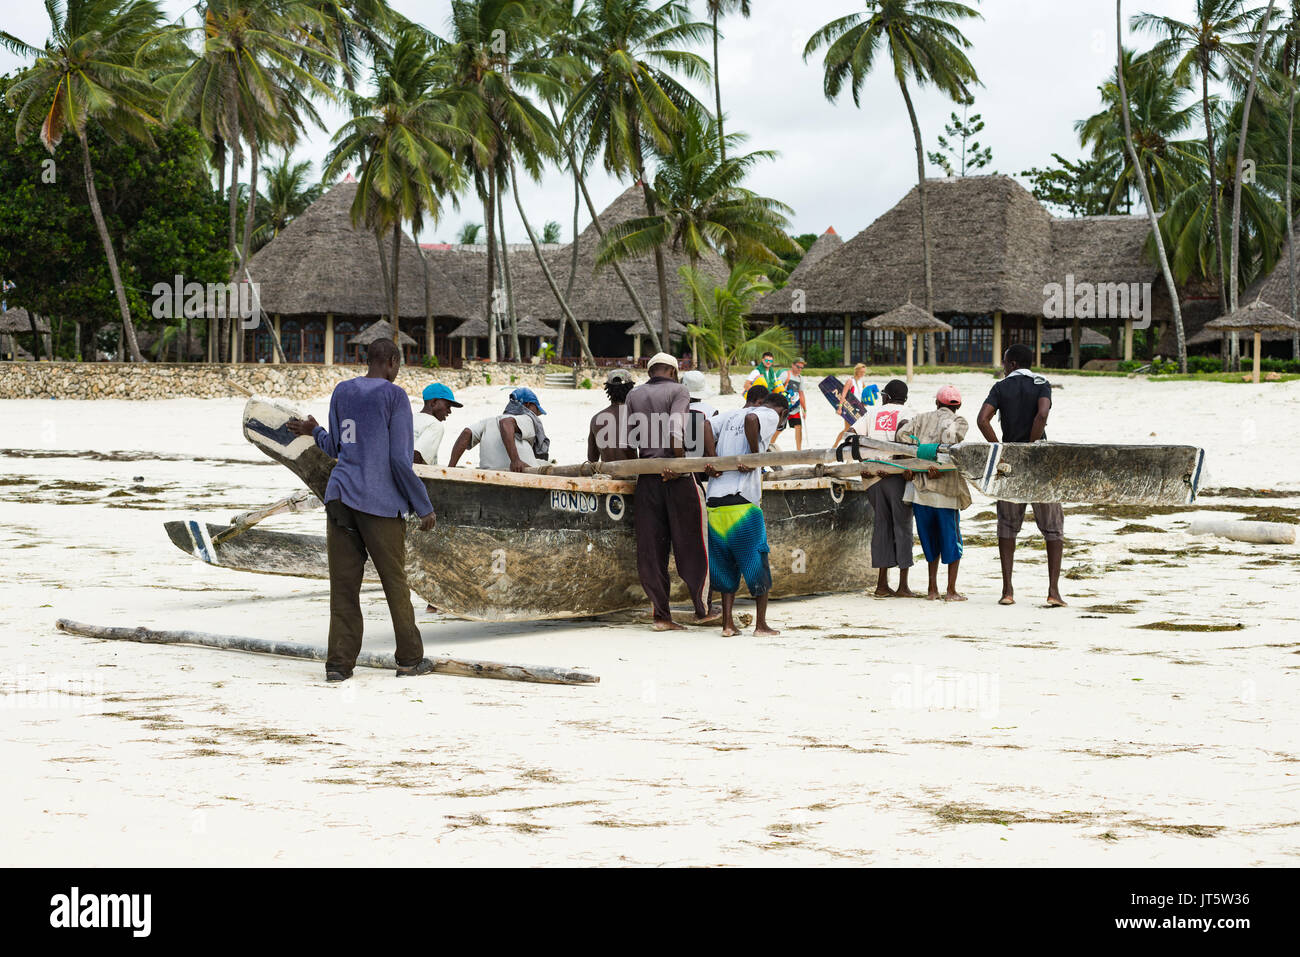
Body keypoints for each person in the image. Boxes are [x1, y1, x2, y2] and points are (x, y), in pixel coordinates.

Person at [286, 339, 437, 682]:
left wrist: (315, 431)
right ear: (392, 362)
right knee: (395, 583)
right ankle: (410, 660)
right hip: (379, 502)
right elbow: (399, 460)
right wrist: (423, 505)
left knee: (344, 587)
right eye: (397, 366)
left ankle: (338, 665)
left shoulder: (342, 391)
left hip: (339, 497)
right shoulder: (394, 397)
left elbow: (336, 447)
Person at [624, 352, 716, 630]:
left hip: (647, 479)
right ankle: (702, 609)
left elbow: (630, 441)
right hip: (677, 478)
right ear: (673, 371)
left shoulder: (634, 395)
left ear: (651, 371)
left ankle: (662, 616)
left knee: (651, 550)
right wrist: (679, 462)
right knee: (693, 546)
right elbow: (677, 428)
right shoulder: (679, 390)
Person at [977, 343, 1066, 607]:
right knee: (1053, 527)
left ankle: (1007, 591)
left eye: (1004, 363)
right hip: (1041, 461)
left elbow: (983, 420)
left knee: (1007, 524)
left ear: (1013, 363)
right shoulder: (1042, 383)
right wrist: (1032, 444)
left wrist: (1002, 449)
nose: (1003, 367)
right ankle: (1053, 591)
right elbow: (1042, 413)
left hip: (1010, 462)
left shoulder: (1000, 388)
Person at [705, 387, 787, 637]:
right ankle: (761, 626)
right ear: (782, 413)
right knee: (756, 563)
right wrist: (754, 455)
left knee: (723, 565)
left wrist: (712, 458)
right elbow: (752, 420)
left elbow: (706, 425)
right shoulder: (768, 413)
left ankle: (728, 625)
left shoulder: (729, 415)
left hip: (716, 502)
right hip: (743, 502)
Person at [899, 385, 971, 601]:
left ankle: (932, 590)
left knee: (929, 540)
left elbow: (902, 435)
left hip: (919, 491)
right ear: (957, 406)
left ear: (937, 403)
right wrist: (935, 456)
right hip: (945, 492)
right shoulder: (960, 421)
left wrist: (920, 454)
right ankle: (951, 591)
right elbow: (951, 440)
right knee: (951, 540)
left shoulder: (920, 418)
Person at [855, 379, 917, 597]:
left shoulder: (872, 413)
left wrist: (865, 462)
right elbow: (911, 444)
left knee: (882, 526)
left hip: (872, 477)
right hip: (898, 476)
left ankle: (881, 584)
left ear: (887, 396)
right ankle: (903, 586)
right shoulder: (910, 413)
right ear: (904, 398)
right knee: (903, 527)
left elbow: (853, 436)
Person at [447, 387, 550, 472]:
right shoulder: (527, 418)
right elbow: (506, 423)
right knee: (547, 465)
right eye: (536, 410)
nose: (536, 415)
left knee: (543, 462)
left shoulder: (488, 422)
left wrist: (450, 469)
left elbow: (466, 433)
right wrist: (515, 460)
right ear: (527, 405)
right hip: (519, 473)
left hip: (489, 473)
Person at [587, 370, 638, 463]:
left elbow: (592, 458)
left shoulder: (596, 419)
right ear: (630, 388)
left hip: (607, 475)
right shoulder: (635, 417)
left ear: (608, 389)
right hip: (632, 474)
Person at [413, 383, 463, 466]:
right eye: (448, 406)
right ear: (434, 402)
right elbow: (416, 459)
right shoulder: (435, 425)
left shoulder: (411, 418)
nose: (449, 411)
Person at [833, 363, 879, 445]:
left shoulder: (862, 382)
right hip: (848, 408)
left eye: (864, 372)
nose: (862, 374)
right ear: (856, 371)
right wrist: (839, 408)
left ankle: (851, 446)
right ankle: (836, 445)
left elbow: (862, 397)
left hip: (858, 409)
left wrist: (865, 403)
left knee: (857, 428)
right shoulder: (850, 381)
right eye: (861, 372)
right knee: (847, 429)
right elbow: (843, 395)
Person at [775, 357, 809, 450]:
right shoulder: (785, 374)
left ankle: (799, 450)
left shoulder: (800, 378)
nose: (800, 369)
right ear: (793, 365)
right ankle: (770, 444)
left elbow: (801, 393)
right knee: (780, 428)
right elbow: (776, 387)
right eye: (798, 367)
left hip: (795, 407)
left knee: (798, 427)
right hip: (783, 407)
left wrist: (804, 409)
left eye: (802, 368)